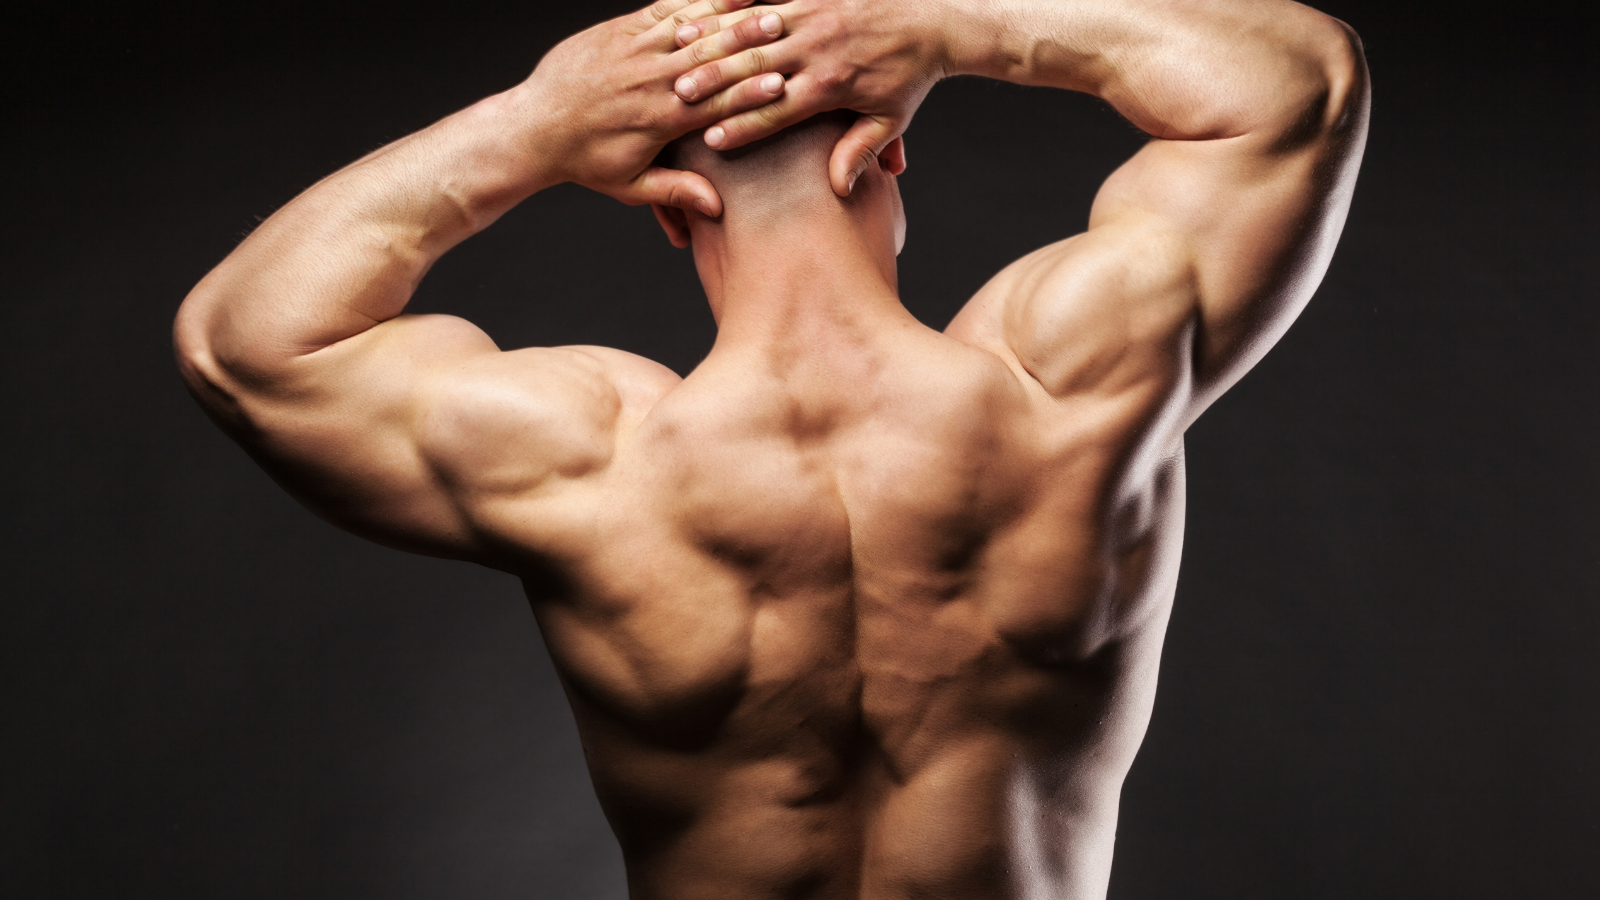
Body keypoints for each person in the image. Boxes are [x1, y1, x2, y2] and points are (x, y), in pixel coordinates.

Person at [173, 0, 1368, 896]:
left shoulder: (588, 461)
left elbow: (244, 345)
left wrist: (533, 127)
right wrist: (955, 29)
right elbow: (1295, 87)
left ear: (659, 202)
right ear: (889, 151)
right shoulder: (1070, 388)